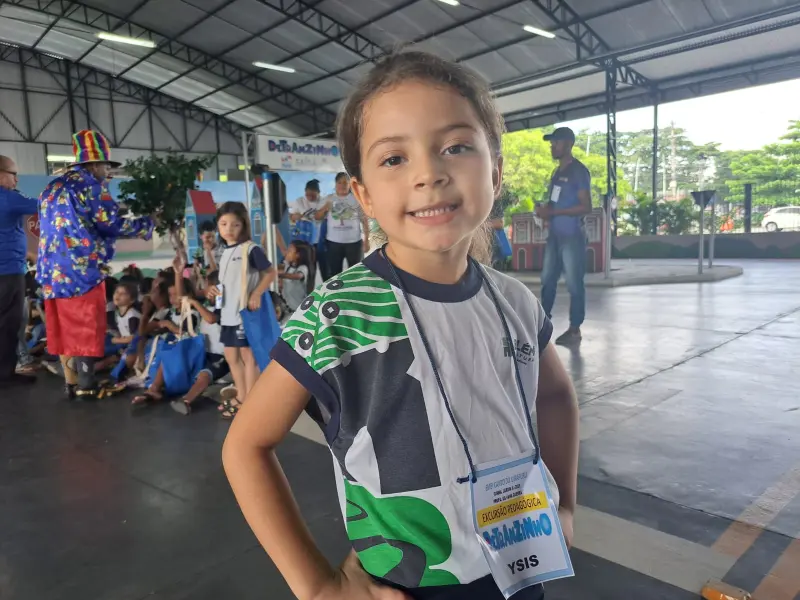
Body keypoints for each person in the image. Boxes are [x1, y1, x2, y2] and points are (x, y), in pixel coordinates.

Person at [223, 51, 579, 600]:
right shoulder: (338, 315)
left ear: (496, 171)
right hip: (410, 584)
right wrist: (319, 588)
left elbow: (554, 396)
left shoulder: (515, 302)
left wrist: (566, 505)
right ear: (364, 195)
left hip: (523, 560)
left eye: (456, 147)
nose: (428, 173)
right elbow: (246, 446)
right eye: (394, 158)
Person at [36, 130, 155, 399]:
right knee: (86, 327)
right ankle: (86, 384)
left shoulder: (50, 188)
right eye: (105, 166)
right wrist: (147, 224)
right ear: (93, 164)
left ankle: (71, 382)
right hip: (81, 271)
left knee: (65, 328)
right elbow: (111, 224)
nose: (106, 171)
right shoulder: (90, 186)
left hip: (52, 272)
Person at [206, 201, 276, 419]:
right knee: (231, 355)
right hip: (227, 314)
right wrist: (214, 293)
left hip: (243, 313)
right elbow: (226, 282)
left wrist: (256, 294)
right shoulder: (224, 252)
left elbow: (270, 273)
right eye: (223, 224)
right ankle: (242, 395)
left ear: (243, 225)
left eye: (235, 224)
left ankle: (249, 403)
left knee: (248, 357)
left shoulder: (250, 249)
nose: (229, 229)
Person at [536, 127, 592, 346]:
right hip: (555, 236)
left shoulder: (579, 171)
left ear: (569, 144)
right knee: (547, 280)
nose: (552, 146)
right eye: (552, 143)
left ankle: (575, 329)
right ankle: (542, 324)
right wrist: (545, 211)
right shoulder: (556, 173)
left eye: (556, 142)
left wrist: (554, 212)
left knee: (574, 283)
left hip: (572, 236)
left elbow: (586, 206)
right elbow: (554, 202)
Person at [0, 155, 39, 386]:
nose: (17, 180)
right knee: (9, 324)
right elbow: (45, 205)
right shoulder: (8, 198)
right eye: (13, 174)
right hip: (8, 273)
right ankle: (5, 375)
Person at [319, 172, 371, 277]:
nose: (342, 185)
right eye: (339, 182)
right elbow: (317, 217)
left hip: (354, 243)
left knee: (356, 274)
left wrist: (367, 240)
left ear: (349, 184)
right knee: (334, 274)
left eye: (345, 183)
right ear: (335, 184)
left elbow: (364, 220)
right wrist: (325, 208)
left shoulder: (356, 199)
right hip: (333, 243)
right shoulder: (329, 199)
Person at [288, 179, 328, 280]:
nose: (310, 197)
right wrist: (296, 216)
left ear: (318, 193)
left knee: (325, 268)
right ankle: (309, 288)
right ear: (305, 191)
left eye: (313, 195)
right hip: (304, 241)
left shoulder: (323, 202)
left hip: (320, 241)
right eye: (308, 194)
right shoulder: (299, 201)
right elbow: (291, 217)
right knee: (309, 270)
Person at [278, 241, 312, 312]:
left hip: (299, 309)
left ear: (298, 255)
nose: (287, 252)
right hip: (288, 307)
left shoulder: (303, 268)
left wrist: (279, 275)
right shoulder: (288, 266)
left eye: (290, 251)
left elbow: (297, 276)